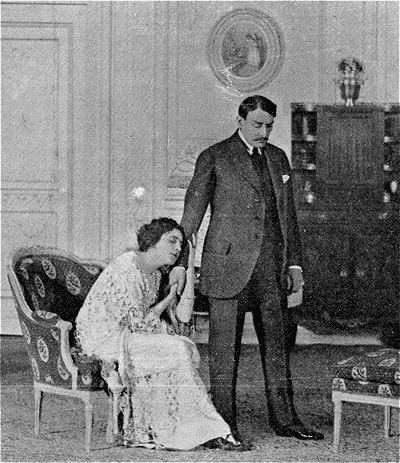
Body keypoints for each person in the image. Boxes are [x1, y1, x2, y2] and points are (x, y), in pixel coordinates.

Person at [170, 95, 324, 445]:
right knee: (224, 354)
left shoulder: (278, 158)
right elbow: (190, 219)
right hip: (227, 269)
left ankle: (285, 420)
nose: (264, 132)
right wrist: (180, 266)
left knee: (278, 349)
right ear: (240, 120)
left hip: (271, 270)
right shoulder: (214, 157)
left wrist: (294, 263)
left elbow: (288, 217)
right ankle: (222, 425)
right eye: (257, 124)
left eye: (269, 125)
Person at [75, 217, 248, 451]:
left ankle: (190, 427)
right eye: (171, 241)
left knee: (181, 346)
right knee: (175, 348)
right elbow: (140, 322)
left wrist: (186, 272)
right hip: (102, 337)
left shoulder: (155, 274)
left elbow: (152, 319)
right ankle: (188, 429)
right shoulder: (128, 267)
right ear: (153, 241)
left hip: (127, 333)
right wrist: (169, 298)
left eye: (180, 244)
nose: (177, 248)